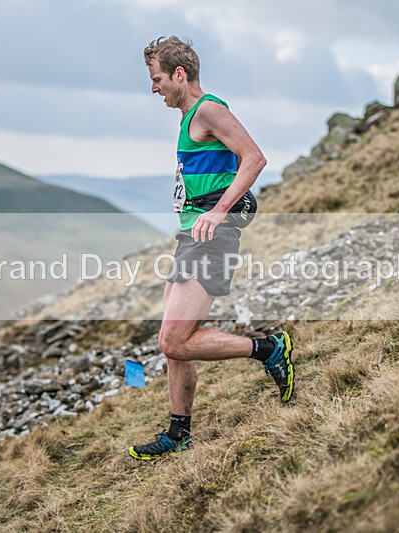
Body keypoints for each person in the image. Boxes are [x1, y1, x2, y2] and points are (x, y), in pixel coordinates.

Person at [128, 36, 295, 460]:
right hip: (191, 236)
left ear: (179, 74)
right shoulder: (189, 118)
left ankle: (269, 349)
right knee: (174, 341)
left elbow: (254, 157)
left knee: (173, 341)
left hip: (210, 238)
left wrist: (219, 212)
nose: (153, 88)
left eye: (157, 79)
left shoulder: (208, 109)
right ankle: (178, 432)